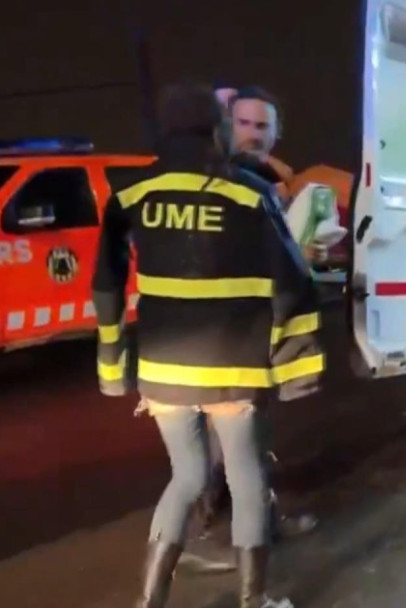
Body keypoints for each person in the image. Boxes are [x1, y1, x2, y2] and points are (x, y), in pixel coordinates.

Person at [94, 82, 322, 608]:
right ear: (217, 130)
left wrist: (112, 369)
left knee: (187, 475)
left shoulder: (130, 194)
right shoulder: (249, 192)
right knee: (246, 480)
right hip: (233, 367)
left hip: (164, 370)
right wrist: (297, 368)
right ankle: (253, 600)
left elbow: (106, 285)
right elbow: (293, 284)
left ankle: (149, 601)